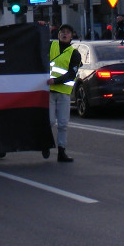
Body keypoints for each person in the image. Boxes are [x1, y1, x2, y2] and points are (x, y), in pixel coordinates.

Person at [47, 24, 81, 163]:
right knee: (49, 121)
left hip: (63, 92)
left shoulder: (74, 53)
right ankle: (46, 144)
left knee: (62, 124)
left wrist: (56, 81)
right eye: (62, 32)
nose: (64, 34)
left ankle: (61, 151)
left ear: (71, 36)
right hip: (48, 91)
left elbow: (72, 74)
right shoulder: (51, 46)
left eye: (67, 32)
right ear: (58, 34)